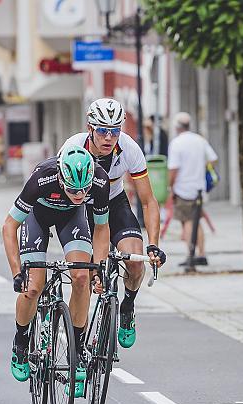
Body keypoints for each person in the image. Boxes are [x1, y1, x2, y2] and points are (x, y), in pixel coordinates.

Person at [3, 145, 110, 397]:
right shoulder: (41, 178)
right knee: (33, 287)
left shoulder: (99, 180)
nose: (79, 194)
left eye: (84, 190)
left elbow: (102, 228)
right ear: (61, 177)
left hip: (72, 219)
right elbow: (9, 227)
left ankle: (77, 347)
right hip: (37, 218)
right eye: (73, 189)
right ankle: (20, 341)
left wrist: (100, 267)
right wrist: (17, 272)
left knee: (82, 276)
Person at [60, 98, 166, 350]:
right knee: (83, 276)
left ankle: (127, 306)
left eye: (115, 131)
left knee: (134, 259)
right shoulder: (72, 147)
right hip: (80, 206)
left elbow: (149, 202)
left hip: (113, 202)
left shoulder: (129, 149)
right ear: (90, 128)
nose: (109, 137)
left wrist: (153, 244)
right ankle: (78, 345)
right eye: (103, 131)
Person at [167, 112, 218, 266]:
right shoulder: (199, 140)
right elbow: (214, 159)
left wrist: (171, 186)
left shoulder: (176, 143)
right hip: (199, 188)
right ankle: (202, 253)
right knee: (197, 220)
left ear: (177, 127)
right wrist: (201, 169)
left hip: (183, 188)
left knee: (187, 221)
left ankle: (191, 254)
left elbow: (173, 169)